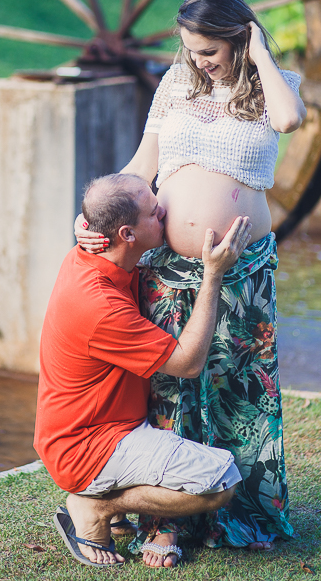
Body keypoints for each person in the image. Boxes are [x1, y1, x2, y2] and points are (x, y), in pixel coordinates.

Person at [76, 0, 307, 565]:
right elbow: (141, 166)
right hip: (169, 269)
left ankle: (244, 511)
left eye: (209, 51)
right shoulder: (176, 84)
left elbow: (290, 119)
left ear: (238, 38)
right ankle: (166, 522)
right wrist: (93, 214)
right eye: (190, 50)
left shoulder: (274, 85)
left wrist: (258, 52)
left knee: (239, 388)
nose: (198, 62)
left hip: (242, 270)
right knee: (170, 389)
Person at [34, 172, 254, 569]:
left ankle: (106, 499)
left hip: (94, 429)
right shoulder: (99, 306)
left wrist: (83, 222)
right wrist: (213, 274)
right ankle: (96, 507)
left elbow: (98, 216)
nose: (164, 212)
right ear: (126, 234)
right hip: (89, 447)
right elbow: (187, 363)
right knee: (221, 482)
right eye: (154, 212)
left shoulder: (91, 255)